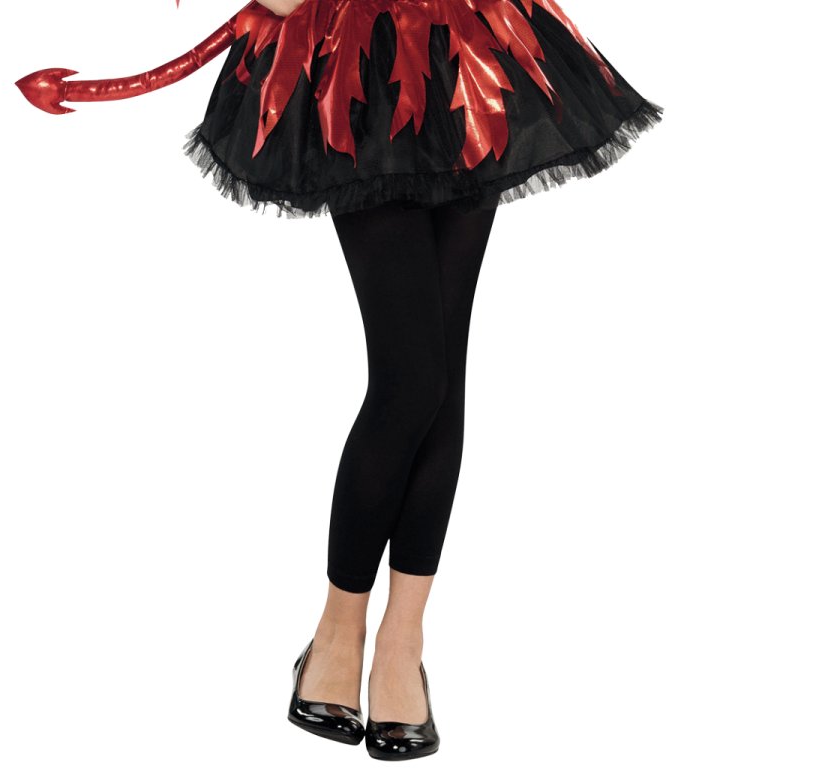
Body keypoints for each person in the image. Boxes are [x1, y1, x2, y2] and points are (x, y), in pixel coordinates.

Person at [182, 0, 663, 759]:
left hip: (462, 42)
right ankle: (338, 630)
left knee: (441, 365)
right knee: (410, 379)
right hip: (350, 58)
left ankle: (402, 641)